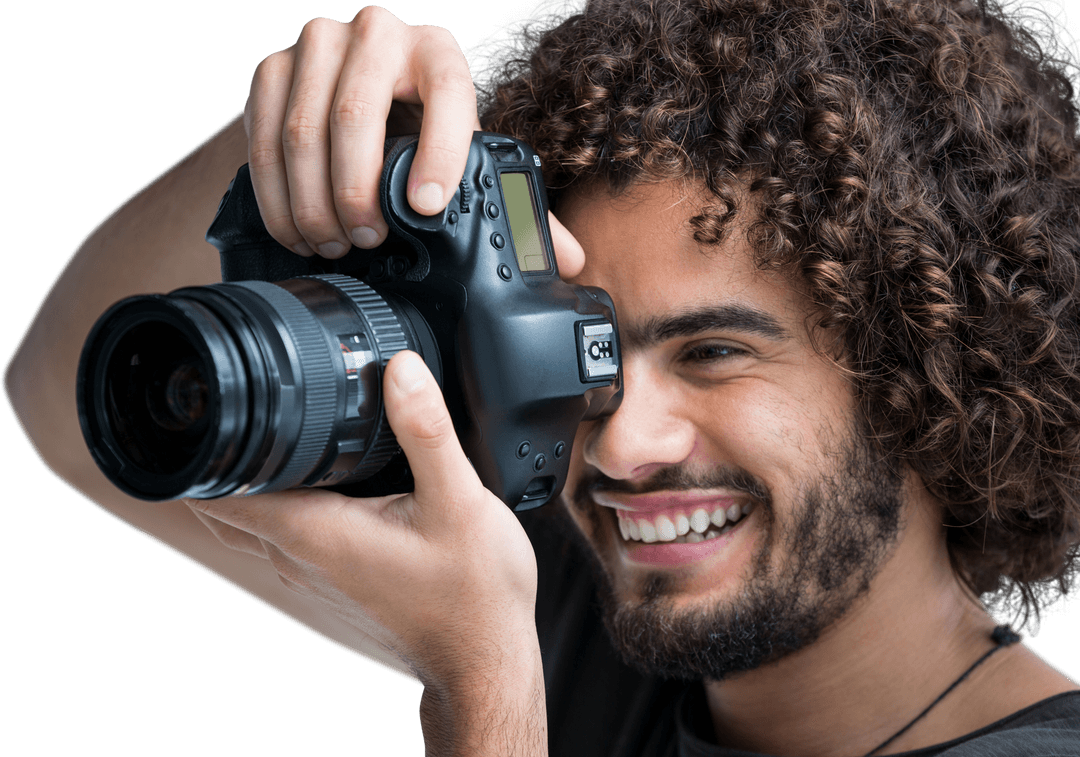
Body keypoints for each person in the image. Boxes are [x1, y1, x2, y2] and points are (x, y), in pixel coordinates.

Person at [6, 0, 1080, 754]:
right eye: (589, 352)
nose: (617, 445)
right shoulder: (620, 629)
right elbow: (63, 397)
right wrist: (297, 145)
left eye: (712, 352)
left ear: (936, 383)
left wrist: (485, 689)